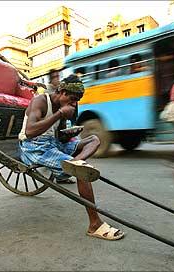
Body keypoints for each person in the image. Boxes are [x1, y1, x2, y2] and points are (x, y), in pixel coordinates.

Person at [19, 74, 125, 240]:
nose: (74, 104)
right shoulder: (40, 101)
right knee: (83, 172)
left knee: (94, 139)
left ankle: (76, 162)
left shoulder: (64, 106)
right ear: (61, 92)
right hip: (34, 147)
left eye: (77, 100)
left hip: (53, 143)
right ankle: (94, 225)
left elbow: (59, 137)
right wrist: (59, 114)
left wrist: (69, 134)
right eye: (73, 99)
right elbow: (30, 131)